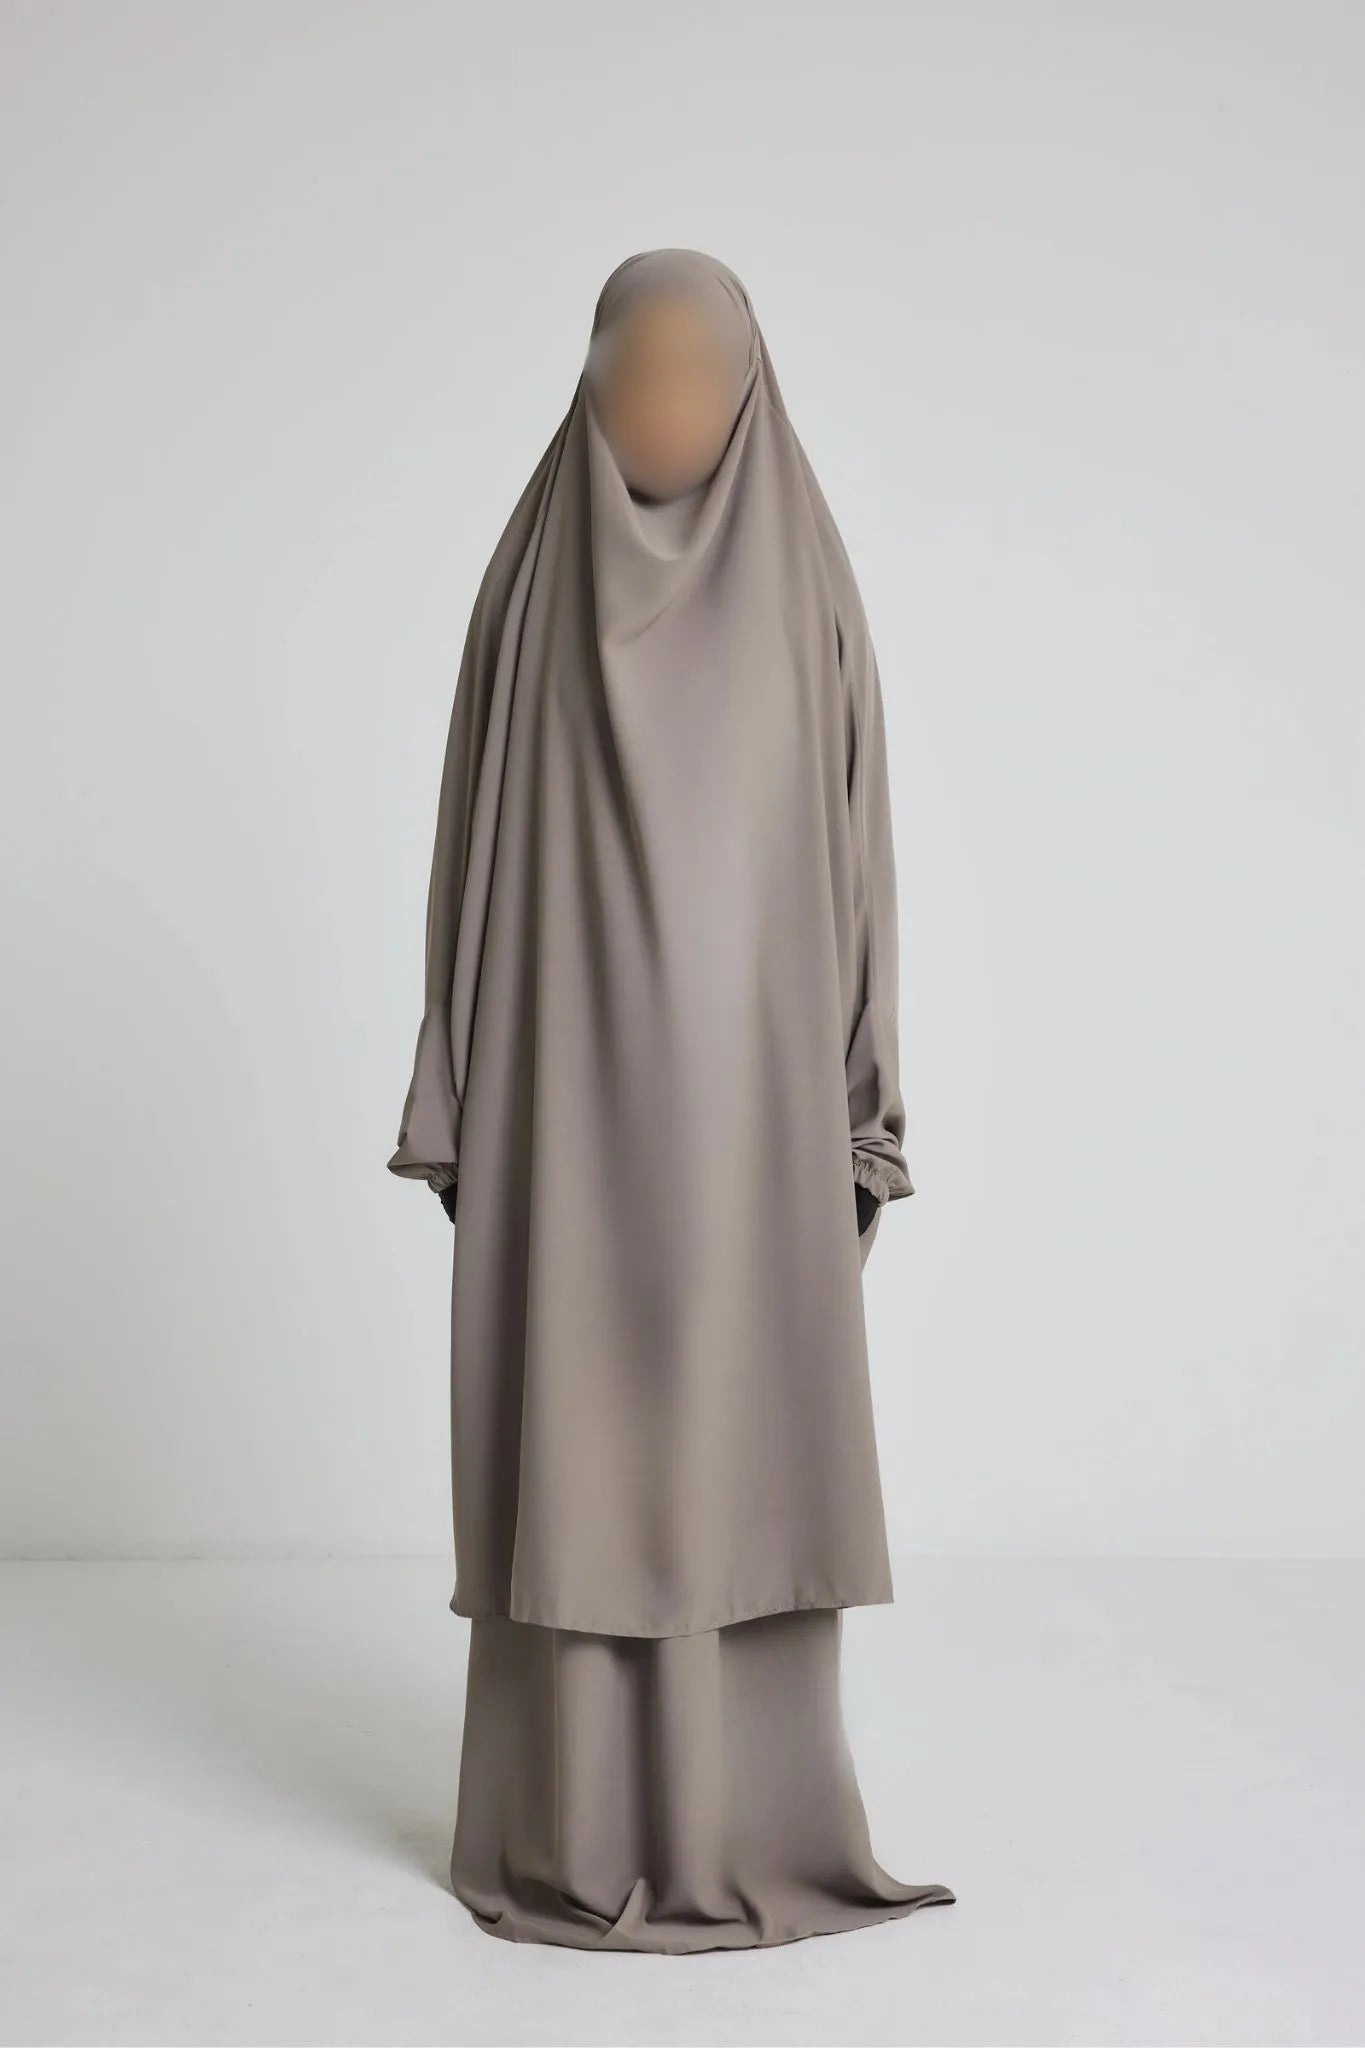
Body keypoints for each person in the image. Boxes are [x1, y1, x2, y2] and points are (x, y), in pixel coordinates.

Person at [386, 246, 954, 1953]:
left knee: (737, 1442)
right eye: (636, 375)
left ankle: (749, 1818)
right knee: (577, 1446)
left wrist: (864, 1109)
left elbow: (856, 860)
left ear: (752, 394)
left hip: (750, 1118)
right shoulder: (530, 585)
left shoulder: (804, 591)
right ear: (588, 383)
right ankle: (568, 1829)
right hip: (566, 1105)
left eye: (702, 378)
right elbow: (467, 854)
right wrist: (455, 1088)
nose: (666, 411)